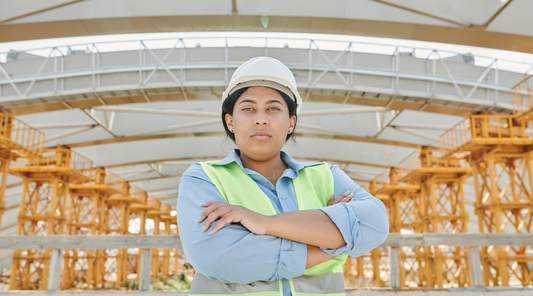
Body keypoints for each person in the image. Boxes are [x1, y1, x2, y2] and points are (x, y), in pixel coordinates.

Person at [177, 57, 389, 296]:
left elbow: (375, 223)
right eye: (248, 109)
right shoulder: (203, 178)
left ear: (291, 122)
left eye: (273, 108)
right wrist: (334, 244)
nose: (260, 118)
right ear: (230, 121)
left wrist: (265, 224)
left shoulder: (326, 175)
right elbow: (216, 257)